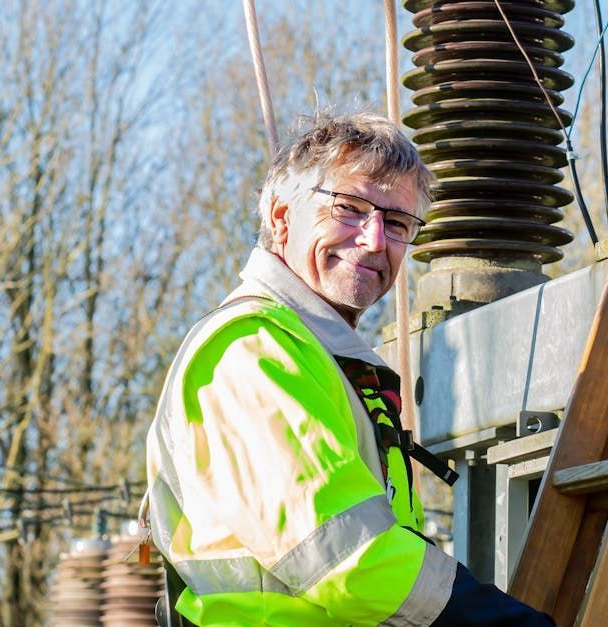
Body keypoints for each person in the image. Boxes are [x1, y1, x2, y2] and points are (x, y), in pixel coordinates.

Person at [143, 112, 555, 626]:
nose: (374, 239)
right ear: (281, 217)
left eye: (398, 222)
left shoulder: (326, 361)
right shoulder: (256, 349)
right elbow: (345, 557)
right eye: (349, 208)